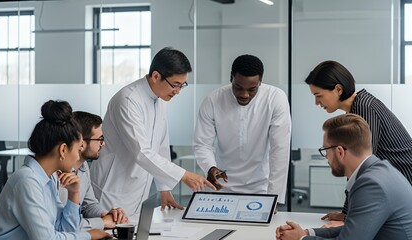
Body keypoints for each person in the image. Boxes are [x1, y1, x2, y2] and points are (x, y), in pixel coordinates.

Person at [90, 47, 216, 216]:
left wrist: (164, 187)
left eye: (182, 85)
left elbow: (161, 145)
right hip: (111, 189)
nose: (178, 91)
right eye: (175, 85)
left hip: (136, 190)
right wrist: (183, 174)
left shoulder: (159, 99)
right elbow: (141, 151)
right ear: (156, 76)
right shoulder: (128, 101)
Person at [305, 60, 412, 226]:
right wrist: (347, 213)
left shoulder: (363, 109)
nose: (317, 103)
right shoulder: (359, 105)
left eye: (318, 95)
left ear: (338, 89)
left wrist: (348, 217)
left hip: (405, 183)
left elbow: (362, 166)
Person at [0, 100, 110, 240]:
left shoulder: (47, 180)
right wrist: (88, 235)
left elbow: (64, 230)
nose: (77, 155)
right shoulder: (27, 181)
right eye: (77, 148)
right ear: (63, 150)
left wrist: (73, 194)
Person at [276, 114, 412, 240]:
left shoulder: (371, 184)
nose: (326, 158)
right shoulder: (380, 170)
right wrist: (307, 233)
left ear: (340, 151)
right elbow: (353, 229)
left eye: (325, 150)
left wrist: (301, 239)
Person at [193, 54, 291, 203]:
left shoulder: (275, 98)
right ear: (231, 78)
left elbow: (280, 149)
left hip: (261, 187)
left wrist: (274, 197)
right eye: (238, 87)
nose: (244, 94)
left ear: (260, 82)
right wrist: (210, 168)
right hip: (222, 186)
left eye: (252, 89)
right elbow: (202, 144)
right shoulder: (213, 100)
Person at [54, 111, 129, 230]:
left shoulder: (83, 167)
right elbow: (60, 223)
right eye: (100, 139)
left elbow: (88, 205)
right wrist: (102, 222)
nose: (103, 144)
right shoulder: (54, 173)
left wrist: (107, 215)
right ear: (82, 143)